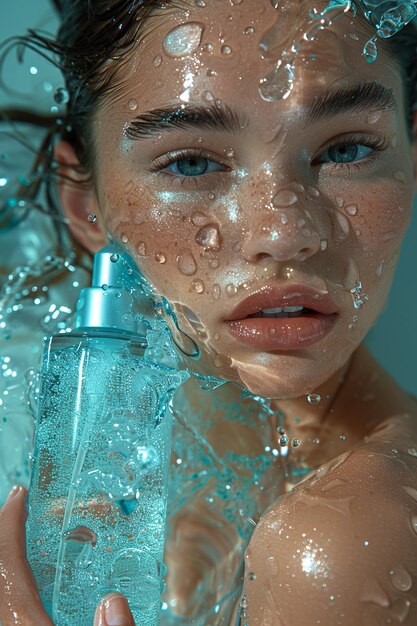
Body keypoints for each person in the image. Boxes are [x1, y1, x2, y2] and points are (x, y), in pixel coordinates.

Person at [1, 0, 417, 624]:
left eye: (349, 149)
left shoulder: (344, 540)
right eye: (192, 163)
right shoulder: (55, 364)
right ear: (86, 206)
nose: (285, 230)